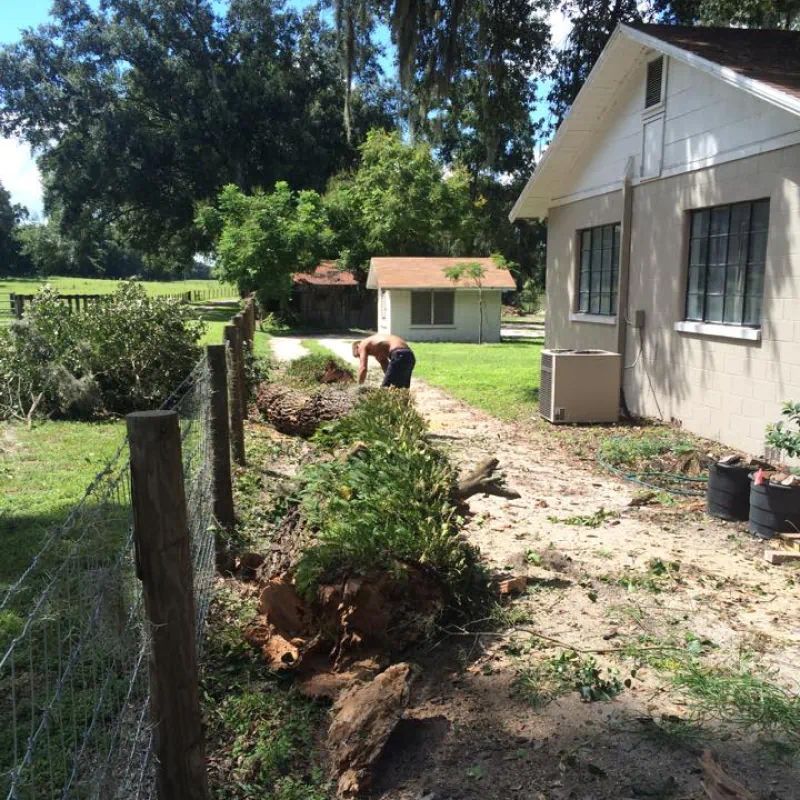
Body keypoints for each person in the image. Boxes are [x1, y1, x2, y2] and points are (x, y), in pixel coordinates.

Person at [351, 333, 416, 388]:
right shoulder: (377, 347)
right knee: (401, 390)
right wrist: (388, 379)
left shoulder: (362, 344)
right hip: (410, 356)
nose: (361, 357)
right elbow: (386, 367)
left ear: (357, 346)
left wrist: (358, 387)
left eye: (359, 355)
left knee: (384, 391)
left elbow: (363, 368)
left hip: (399, 354)